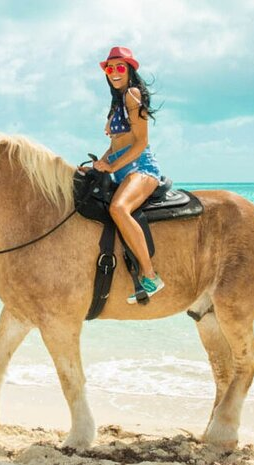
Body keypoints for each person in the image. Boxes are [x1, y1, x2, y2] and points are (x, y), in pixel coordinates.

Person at [79, 46, 164, 303]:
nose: (114, 73)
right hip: (121, 168)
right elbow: (116, 143)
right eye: (110, 68)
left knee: (118, 208)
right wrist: (101, 163)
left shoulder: (133, 95)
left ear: (129, 70)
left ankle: (150, 275)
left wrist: (113, 167)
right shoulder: (118, 102)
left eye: (119, 68)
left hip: (141, 168)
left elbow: (140, 143)